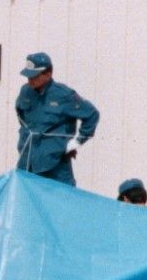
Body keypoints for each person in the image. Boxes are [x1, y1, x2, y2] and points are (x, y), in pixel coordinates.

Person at [15, 52, 100, 186]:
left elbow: (91, 114)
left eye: (34, 76)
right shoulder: (25, 91)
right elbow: (20, 114)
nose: (30, 80)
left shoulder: (64, 95)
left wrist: (76, 142)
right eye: (28, 76)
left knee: (61, 202)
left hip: (55, 165)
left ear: (48, 74)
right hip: (27, 162)